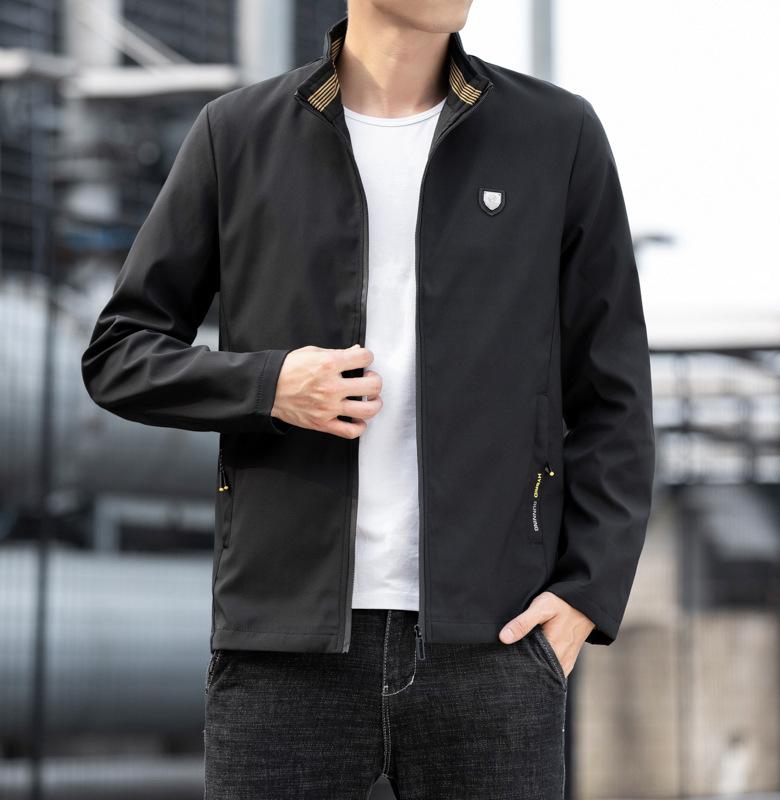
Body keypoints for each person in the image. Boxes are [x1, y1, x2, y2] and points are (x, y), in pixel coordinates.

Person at [81, 1, 656, 797]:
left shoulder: (556, 137)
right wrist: (268, 386)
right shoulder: (237, 135)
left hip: (494, 645)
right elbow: (118, 352)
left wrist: (586, 593)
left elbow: (615, 393)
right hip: (283, 653)